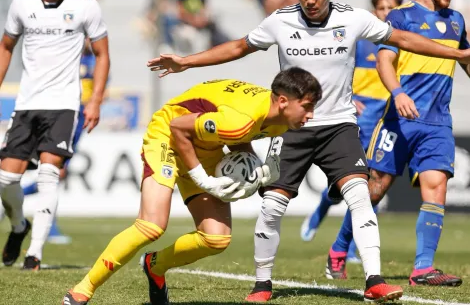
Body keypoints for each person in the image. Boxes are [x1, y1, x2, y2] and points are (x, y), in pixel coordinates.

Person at [146, 0, 470, 302]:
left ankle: (374, 279)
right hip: (293, 128)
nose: (311, 1)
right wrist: (186, 62)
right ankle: (262, 285)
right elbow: (239, 47)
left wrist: (458, 55)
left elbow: (404, 40)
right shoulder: (280, 21)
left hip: (339, 127)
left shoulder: (354, 18)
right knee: (272, 206)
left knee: (360, 196)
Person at [62, 67, 322, 305]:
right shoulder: (241, 119)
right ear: (283, 101)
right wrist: (201, 178)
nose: (310, 115)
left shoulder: (278, 120)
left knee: (216, 238)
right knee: (151, 226)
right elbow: (178, 127)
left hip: (203, 146)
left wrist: (251, 166)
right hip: (168, 136)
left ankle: (155, 265)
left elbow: (240, 138)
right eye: (307, 107)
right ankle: (82, 289)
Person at [0, 0, 109, 270]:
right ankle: (20, 226)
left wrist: (96, 100)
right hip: (27, 105)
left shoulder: (85, 6)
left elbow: (102, 54)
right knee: (6, 179)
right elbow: (6, 46)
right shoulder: (22, 4)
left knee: (49, 174)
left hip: (64, 106)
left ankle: (34, 254)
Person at [364, 0, 466, 286]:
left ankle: (423, 267)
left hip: (437, 123)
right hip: (399, 119)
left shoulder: (457, 22)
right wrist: (398, 93)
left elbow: (466, 61)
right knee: (374, 191)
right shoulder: (401, 15)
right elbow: (383, 61)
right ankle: (341, 247)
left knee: (436, 187)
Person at [300, 0, 403, 269]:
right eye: (381, 8)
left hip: (388, 117)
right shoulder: (361, 40)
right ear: (374, 11)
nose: (386, 13)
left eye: (391, 8)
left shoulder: (402, 41)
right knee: (353, 180)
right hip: (361, 115)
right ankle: (321, 212)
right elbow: (334, 70)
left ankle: (354, 246)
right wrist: (352, 98)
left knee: (372, 186)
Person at [19, 39, 97, 245]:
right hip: (63, 114)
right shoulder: (65, 54)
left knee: (57, 173)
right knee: (55, 172)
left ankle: (13, 196)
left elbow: (100, 90)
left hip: (78, 119)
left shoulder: (96, 61)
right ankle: (49, 225)